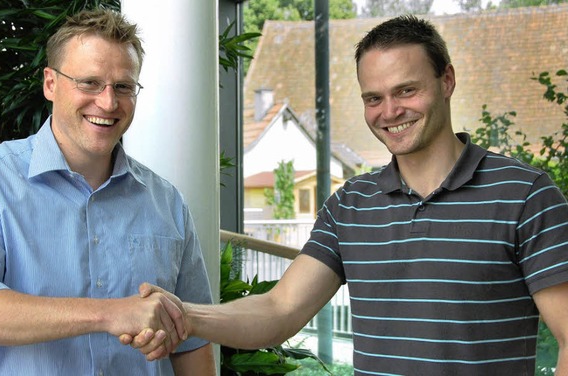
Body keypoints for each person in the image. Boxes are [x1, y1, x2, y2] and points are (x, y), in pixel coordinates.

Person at [132, 15, 568, 375]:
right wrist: (184, 316)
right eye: (373, 98)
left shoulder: (524, 194)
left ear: (447, 80)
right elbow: (279, 310)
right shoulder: (351, 205)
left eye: (407, 90)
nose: (390, 111)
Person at [0, 8, 215, 375]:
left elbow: (191, 343)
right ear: (50, 83)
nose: (108, 102)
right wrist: (110, 313)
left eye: (123, 87)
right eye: (89, 82)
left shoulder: (167, 202)